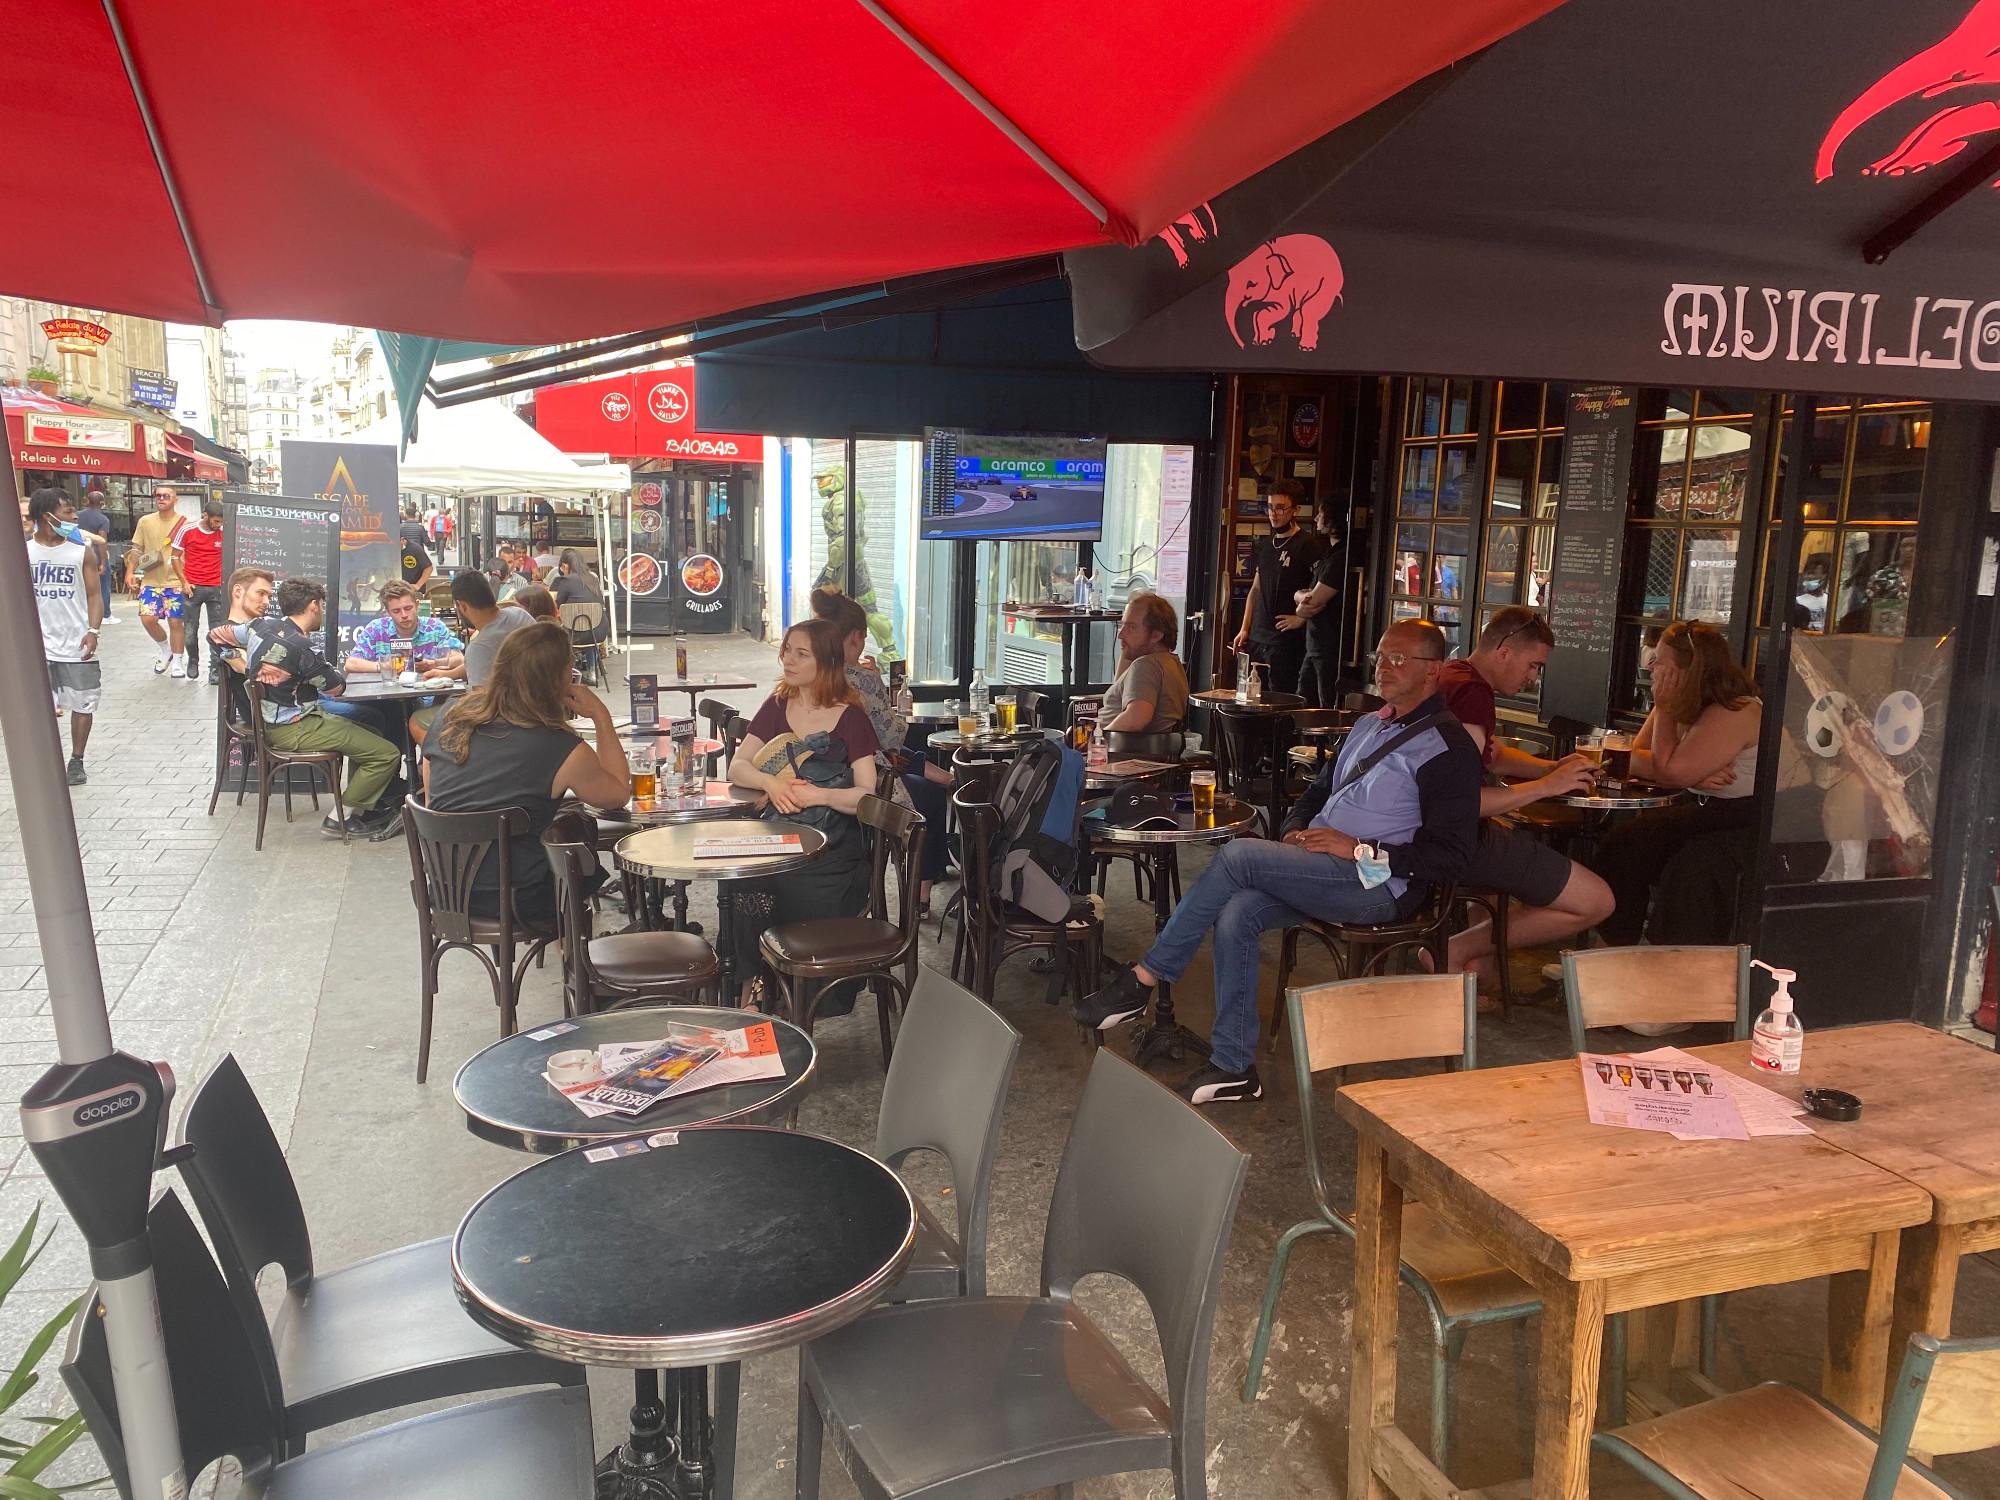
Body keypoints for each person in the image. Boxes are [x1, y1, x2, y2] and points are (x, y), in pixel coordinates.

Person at [1076, 619, 1481, 1104]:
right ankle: (1234, 1068)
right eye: (1380, 657)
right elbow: (1318, 790)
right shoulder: (1371, 723)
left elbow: (1453, 857)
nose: (1383, 668)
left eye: (1399, 659)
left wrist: (1357, 848)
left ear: (1433, 670)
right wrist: (1293, 829)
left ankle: (1146, 977)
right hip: (1323, 866)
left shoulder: (1448, 748)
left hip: (1379, 888)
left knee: (1240, 853)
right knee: (1238, 911)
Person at [1427, 607, 1613, 998]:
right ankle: (1452, 949)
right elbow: (1463, 803)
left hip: (1423, 832)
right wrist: (1547, 785)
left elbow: (1489, 754)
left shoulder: (1453, 675)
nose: (1533, 678)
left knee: (1485, 952)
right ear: (1505, 652)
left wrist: (1551, 766)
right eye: (1533, 666)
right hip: (1455, 839)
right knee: (1596, 901)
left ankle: (1469, 969)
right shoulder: (1474, 694)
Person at [425, 622, 630, 928]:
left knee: (563, 812)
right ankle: (572, 948)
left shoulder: (451, 715)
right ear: (558, 680)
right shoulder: (560, 747)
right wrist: (601, 716)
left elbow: (431, 793)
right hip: (519, 900)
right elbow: (617, 795)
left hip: (445, 891)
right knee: (575, 825)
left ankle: (565, 941)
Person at [728, 618, 881, 1012]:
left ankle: (781, 998)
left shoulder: (851, 718)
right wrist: (771, 784)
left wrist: (821, 795)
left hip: (830, 853)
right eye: (786, 650)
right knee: (742, 885)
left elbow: (868, 794)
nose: (788, 659)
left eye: (801, 653)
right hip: (778, 840)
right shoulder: (778, 705)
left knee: (784, 890)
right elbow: (737, 766)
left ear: (827, 661)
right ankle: (756, 991)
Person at [1595, 619, 1762, 947]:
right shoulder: (1679, 701)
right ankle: (1614, 946)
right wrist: (1692, 770)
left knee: (1688, 870)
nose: (1652, 666)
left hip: (1745, 817)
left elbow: (1668, 773)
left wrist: (1668, 723)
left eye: (1661, 661)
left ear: (1689, 670)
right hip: (1702, 806)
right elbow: (1635, 757)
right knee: (1625, 843)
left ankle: (1671, 961)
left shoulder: (1735, 710)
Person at [243, 578, 405, 840]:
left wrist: (238, 664)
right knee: (386, 754)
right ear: (314, 606)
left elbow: (216, 634)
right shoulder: (303, 648)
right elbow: (336, 689)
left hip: (280, 721)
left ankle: (361, 810)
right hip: (294, 727)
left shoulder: (260, 626)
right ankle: (339, 817)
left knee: (371, 731)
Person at [26, 489, 102, 786]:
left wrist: (93, 630)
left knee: (83, 704)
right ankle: (44, 759)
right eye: (69, 512)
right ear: (48, 517)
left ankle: (77, 759)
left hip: (76, 642)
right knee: (37, 705)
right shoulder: (23, 552)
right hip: (37, 645)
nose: (74, 518)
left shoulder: (81, 550)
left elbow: (95, 595)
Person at [1230, 479, 1323, 699]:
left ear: (1295, 510)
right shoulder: (1266, 544)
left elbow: (1321, 591)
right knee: (1250, 698)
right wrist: (1245, 628)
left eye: (1281, 508)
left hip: (1285, 639)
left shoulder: (1307, 544)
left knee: (1281, 699)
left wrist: (1300, 619)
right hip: (1257, 636)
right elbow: (1255, 589)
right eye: (1271, 507)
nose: (1274, 513)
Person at [1099, 591, 1189, 735]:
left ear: (1156, 635)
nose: (1120, 634)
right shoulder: (1170, 663)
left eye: (1132, 627)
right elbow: (1120, 687)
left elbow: (1136, 719)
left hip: (1119, 754)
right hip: (1148, 753)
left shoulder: (1146, 666)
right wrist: (1128, 644)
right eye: (1123, 625)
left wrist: (1095, 742)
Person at [1284, 503, 1346, 706]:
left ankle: (1323, 741)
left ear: (1333, 518)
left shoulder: (1341, 556)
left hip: (1328, 645)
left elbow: (1315, 599)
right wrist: (1298, 598)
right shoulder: (1330, 553)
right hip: (1316, 643)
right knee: (1304, 700)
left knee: (1324, 707)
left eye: (1321, 513)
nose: (1316, 518)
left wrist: (1301, 604)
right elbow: (1308, 597)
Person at [126, 486, 189, 678]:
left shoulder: (184, 523)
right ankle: (165, 650)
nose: (161, 499)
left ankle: (178, 661)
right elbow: (137, 548)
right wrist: (130, 571)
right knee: (148, 619)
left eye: (166, 496)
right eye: (158, 495)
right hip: (151, 579)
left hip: (175, 581)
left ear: (175, 499)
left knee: (176, 621)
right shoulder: (145, 521)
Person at [345, 580, 465, 680]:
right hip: (386, 696)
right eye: (396, 611)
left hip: (429, 692)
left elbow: (460, 659)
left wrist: (433, 664)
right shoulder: (376, 629)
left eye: (408, 608)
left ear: (417, 605)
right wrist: (384, 666)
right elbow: (351, 664)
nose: (404, 615)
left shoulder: (435, 627)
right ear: (387, 612)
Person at [452, 570, 535, 686]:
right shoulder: (521, 615)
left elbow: (482, 701)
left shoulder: (478, 648)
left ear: (462, 605)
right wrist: (448, 674)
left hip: (508, 704)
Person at [179, 498, 227, 683]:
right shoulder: (188, 530)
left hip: (216, 586)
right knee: (190, 630)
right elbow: (174, 557)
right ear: (205, 516)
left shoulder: (224, 532)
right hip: (193, 587)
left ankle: (214, 668)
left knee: (216, 630)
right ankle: (193, 660)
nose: (218, 525)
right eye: (215, 521)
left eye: (220, 521)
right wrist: (183, 581)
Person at [550, 550, 609, 674]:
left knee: (562, 629)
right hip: (598, 632)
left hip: (574, 635)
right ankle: (593, 670)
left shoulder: (566, 580)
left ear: (565, 565)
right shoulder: (593, 578)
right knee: (587, 625)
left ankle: (564, 670)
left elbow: (559, 604)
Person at [76, 486, 113, 624]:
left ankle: (84, 612)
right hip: (95, 556)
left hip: (78, 555)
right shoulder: (102, 519)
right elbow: (102, 542)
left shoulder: (76, 515)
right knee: (102, 586)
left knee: (83, 585)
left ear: (87, 501)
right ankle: (105, 614)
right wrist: (103, 562)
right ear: (102, 503)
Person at [398, 508, 435, 589]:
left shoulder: (400, 528)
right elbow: (427, 542)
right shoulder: (419, 527)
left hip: (416, 556)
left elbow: (428, 567)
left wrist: (418, 585)